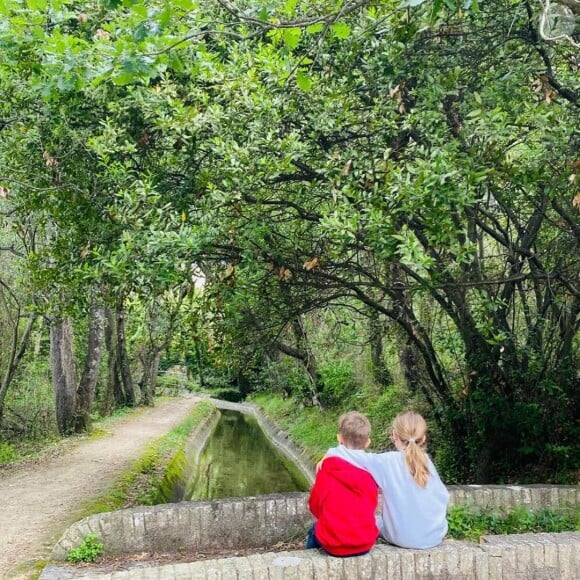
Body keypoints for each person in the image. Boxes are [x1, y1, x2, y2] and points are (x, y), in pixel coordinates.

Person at [322, 411, 449, 549]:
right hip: (434, 537)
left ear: (394, 435)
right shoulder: (427, 462)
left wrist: (327, 455)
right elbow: (442, 497)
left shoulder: (387, 461)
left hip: (401, 538)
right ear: (423, 438)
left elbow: (352, 455)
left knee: (374, 522)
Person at [307, 411, 379, 557]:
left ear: (339, 438)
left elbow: (314, 506)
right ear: (368, 442)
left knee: (313, 532)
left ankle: (309, 560)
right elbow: (372, 504)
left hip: (332, 545)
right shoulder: (373, 469)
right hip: (365, 543)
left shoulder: (327, 467)